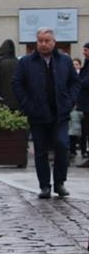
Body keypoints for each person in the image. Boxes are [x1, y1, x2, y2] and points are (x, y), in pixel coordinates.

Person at [12, 27, 80, 198]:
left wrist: (69, 101)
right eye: (40, 41)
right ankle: (44, 186)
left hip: (60, 113)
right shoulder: (26, 62)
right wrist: (27, 105)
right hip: (37, 114)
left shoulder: (64, 60)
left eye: (47, 41)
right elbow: (17, 84)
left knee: (62, 145)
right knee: (41, 151)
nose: (43, 44)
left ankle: (59, 183)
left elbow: (75, 82)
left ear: (54, 42)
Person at [78, 42, 89, 163]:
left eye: (86, 50)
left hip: (87, 103)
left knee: (86, 129)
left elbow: (85, 82)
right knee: (84, 129)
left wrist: (78, 81)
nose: (84, 52)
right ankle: (84, 150)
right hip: (84, 103)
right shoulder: (86, 64)